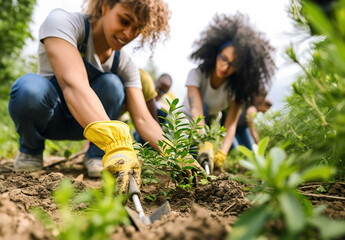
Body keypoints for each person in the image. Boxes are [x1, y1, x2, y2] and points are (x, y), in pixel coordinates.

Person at [7, 0, 195, 194]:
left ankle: (96, 156)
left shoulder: (125, 64)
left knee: (112, 84)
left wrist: (176, 154)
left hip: (87, 130)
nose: (128, 34)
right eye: (124, 21)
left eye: (137, 29)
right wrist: (116, 142)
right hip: (48, 118)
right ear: (105, 6)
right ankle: (31, 151)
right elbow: (73, 84)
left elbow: (143, 118)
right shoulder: (62, 23)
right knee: (29, 88)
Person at [180, 13, 276, 173]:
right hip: (185, 120)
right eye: (223, 58)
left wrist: (223, 152)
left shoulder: (236, 89)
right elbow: (196, 110)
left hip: (208, 122)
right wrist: (204, 141)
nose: (225, 66)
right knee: (189, 158)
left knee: (205, 162)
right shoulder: (196, 74)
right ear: (216, 53)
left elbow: (230, 124)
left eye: (233, 64)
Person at [133, 72, 173, 144]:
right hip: (142, 127)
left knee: (167, 116)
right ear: (155, 82)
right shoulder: (145, 89)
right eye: (158, 89)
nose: (159, 94)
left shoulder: (166, 100)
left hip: (157, 128)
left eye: (162, 92)